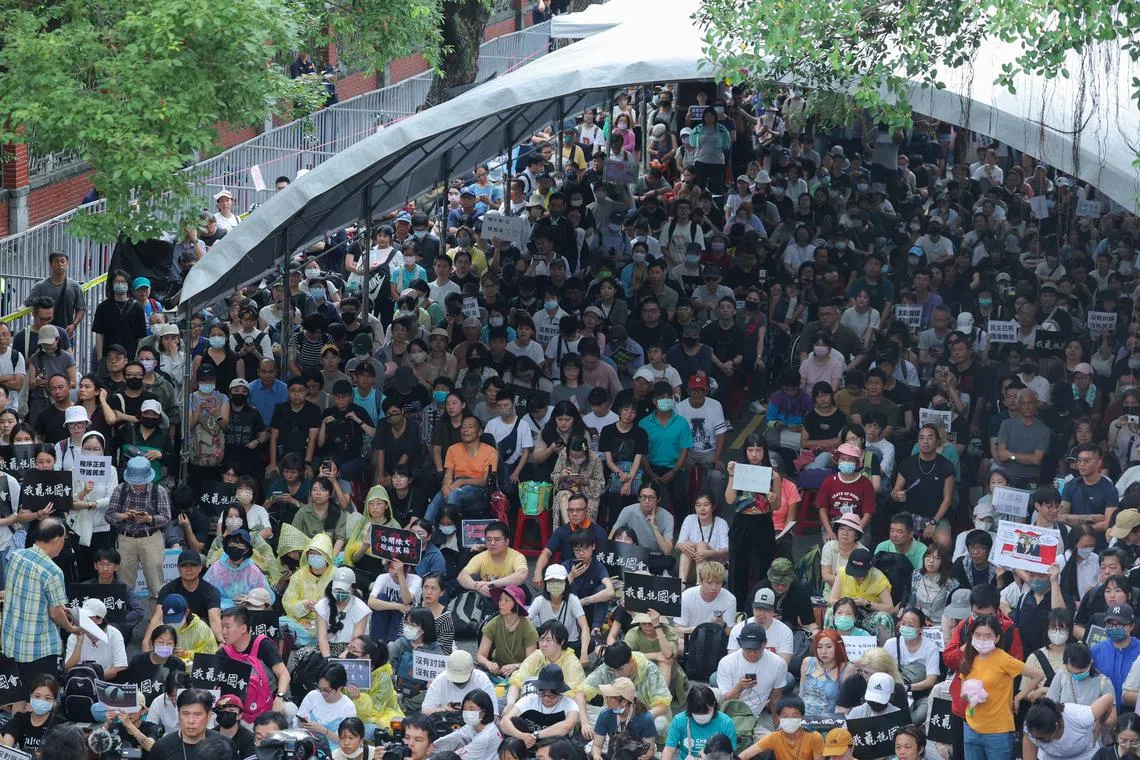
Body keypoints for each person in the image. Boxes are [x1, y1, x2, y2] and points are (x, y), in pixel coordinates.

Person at [1, 518, 83, 695]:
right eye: (64, 539)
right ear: (56, 540)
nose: (64, 543)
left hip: (12, 641)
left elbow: (13, 590)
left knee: (20, 694)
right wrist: (70, 628)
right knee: (41, 696)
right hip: (38, 648)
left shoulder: (16, 555)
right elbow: (55, 613)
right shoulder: (52, 571)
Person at [959, 614, 1026, 760]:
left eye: (987, 636)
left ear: (997, 638)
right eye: (978, 635)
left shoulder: (1003, 659)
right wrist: (970, 695)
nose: (982, 640)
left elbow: (1037, 675)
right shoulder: (969, 657)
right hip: (971, 726)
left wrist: (1018, 697)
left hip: (998, 731)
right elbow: (962, 694)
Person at [106, 455, 171, 604]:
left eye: (141, 482)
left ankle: (156, 615)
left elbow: (166, 517)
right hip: (126, 538)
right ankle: (125, 614)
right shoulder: (120, 489)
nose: (138, 485)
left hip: (151, 537)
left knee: (156, 583)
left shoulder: (158, 491)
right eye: (135, 482)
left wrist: (149, 519)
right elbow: (109, 515)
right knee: (124, 581)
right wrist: (122, 516)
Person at [715, 622, 788, 739]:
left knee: (774, 744)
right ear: (741, 644)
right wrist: (739, 687)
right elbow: (725, 703)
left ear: (765, 643)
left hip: (751, 720)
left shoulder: (778, 664)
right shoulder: (727, 662)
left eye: (757, 649)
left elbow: (776, 697)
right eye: (748, 649)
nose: (752, 653)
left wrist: (777, 725)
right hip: (727, 715)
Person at [148, 688, 230, 760]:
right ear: (178, 714)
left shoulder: (223, 744)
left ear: (209, 715)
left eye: (197, 714)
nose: (191, 721)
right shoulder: (162, 747)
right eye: (186, 714)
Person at [661, 684, 737, 760]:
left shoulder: (726, 723)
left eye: (705, 712)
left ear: (714, 704)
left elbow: (728, 756)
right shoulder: (679, 720)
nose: (701, 715)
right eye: (696, 712)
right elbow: (669, 749)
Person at [1024, 696, 1113, 760]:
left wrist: (1098, 725)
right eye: (1036, 738)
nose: (1038, 740)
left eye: (1043, 738)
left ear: (1056, 726)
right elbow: (1029, 743)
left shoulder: (1078, 716)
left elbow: (1108, 699)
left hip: (1085, 756)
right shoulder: (1030, 729)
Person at [590, 676, 658, 760]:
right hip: (614, 755)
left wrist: (647, 755)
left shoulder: (645, 719)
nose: (607, 699)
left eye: (610, 697)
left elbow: (650, 749)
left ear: (624, 701)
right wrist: (596, 756)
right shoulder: (605, 715)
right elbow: (597, 745)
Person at [477, 585, 539, 676]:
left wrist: (516, 666)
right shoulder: (494, 623)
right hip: (498, 671)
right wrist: (488, 663)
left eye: (506, 600)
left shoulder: (528, 627)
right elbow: (480, 655)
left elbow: (532, 662)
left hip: (521, 672)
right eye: (500, 599)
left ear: (516, 604)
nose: (501, 603)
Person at [739, 695, 823, 760]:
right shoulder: (774, 737)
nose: (790, 720)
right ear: (779, 717)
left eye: (794, 716)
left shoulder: (814, 738)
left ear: (802, 717)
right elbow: (744, 755)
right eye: (785, 716)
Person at [62, 597, 127, 680]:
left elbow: (120, 668)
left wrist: (92, 679)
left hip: (106, 682)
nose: (83, 620)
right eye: (82, 616)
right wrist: (79, 643)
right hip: (79, 682)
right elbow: (68, 668)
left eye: (88, 617)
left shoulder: (114, 634)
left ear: (99, 619)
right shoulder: (74, 635)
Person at [296, 662, 357, 749]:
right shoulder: (312, 695)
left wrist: (324, 731)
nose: (322, 693)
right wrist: (301, 723)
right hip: (308, 745)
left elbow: (346, 740)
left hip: (333, 750)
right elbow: (297, 723)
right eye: (319, 688)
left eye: (326, 690)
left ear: (340, 687)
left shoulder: (348, 707)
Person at [0, 674, 64, 755]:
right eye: (37, 696)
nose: (41, 701)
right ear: (30, 695)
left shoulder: (60, 725)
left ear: (54, 700)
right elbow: (5, 746)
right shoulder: (20, 719)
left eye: (48, 698)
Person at [676, 490, 730, 585]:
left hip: (715, 568)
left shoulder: (721, 523)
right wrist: (684, 546)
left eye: (706, 505)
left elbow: (726, 551)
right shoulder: (690, 519)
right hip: (692, 567)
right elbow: (678, 545)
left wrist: (709, 553)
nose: (702, 509)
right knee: (687, 546)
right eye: (698, 505)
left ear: (713, 507)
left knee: (701, 545)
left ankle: (700, 584)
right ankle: (682, 584)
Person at [433, 688, 504, 760]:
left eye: (471, 709)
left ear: (483, 712)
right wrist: (430, 748)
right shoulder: (474, 725)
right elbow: (452, 739)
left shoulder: (485, 737)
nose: (467, 712)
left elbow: (456, 757)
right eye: (465, 709)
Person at [424, 649, 499, 716]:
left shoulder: (482, 680)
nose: (458, 682)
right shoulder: (440, 680)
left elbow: (493, 714)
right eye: (454, 680)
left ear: (472, 670)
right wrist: (439, 710)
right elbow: (425, 712)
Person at [676, 561, 737, 637]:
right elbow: (678, 630)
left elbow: (731, 633)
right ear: (701, 581)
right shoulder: (686, 596)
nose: (714, 588)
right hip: (691, 638)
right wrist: (698, 630)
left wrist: (723, 625)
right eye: (709, 582)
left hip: (717, 640)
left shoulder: (730, 599)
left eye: (718, 583)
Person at [798, 630, 851, 717]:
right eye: (819, 647)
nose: (823, 652)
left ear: (838, 647)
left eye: (829, 647)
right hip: (803, 717)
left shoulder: (848, 669)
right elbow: (801, 693)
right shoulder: (807, 662)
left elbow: (846, 705)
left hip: (829, 720)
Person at [213, 693, 257, 759]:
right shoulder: (209, 736)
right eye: (222, 710)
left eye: (231, 710)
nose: (225, 714)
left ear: (240, 715)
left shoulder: (249, 739)